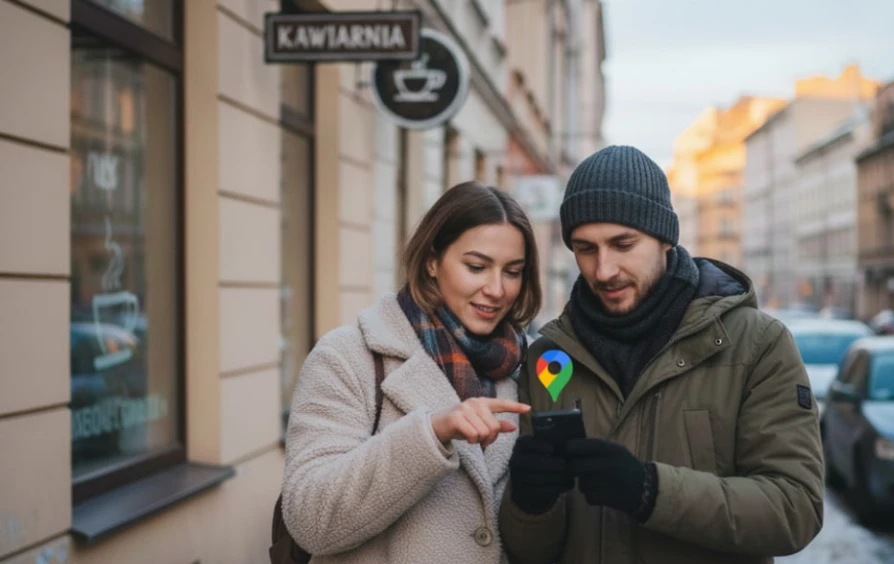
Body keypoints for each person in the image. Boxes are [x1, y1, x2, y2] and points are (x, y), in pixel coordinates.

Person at [500, 146, 824, 564]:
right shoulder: (548, 358)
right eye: (585, 248)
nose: (604, 270)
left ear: (665, 238)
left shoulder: (758, 344)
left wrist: (651, 491)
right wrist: (529, 506)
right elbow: (531, 553)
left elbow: (795, 509)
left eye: (623, 244)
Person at [281, 181, 542, 564]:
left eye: (513, 271)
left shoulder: (525, 370)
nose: (497, 289)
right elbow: (310, 518)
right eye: (476, 267)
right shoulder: (349, 355)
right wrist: (431, 433)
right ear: (432, 261)